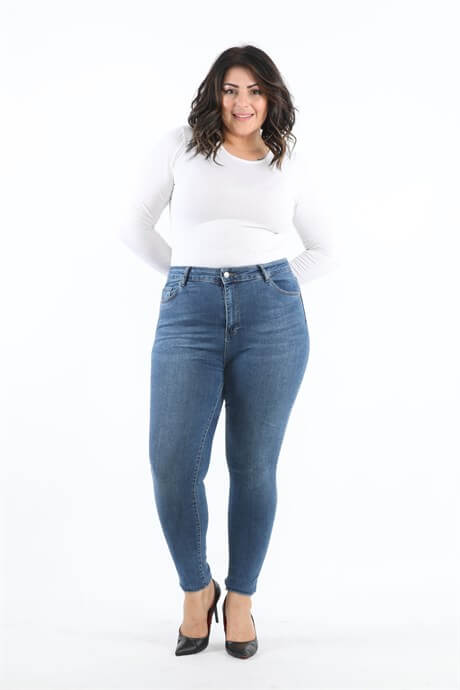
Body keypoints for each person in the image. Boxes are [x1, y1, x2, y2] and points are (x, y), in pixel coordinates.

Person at [120, 45, 338, 659]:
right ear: (215, 93)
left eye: (255, 90)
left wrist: (273, 283)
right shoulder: (181, 147)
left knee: (253, 465)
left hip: (273, 321)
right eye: (231, 89)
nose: (243, 102)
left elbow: (328, 248)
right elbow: (133, 224)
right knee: (172, 462)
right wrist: (187, 275)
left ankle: (240, 598)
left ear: (272, 98)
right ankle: (198, 589)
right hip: (186, 312)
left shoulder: (286, 163)